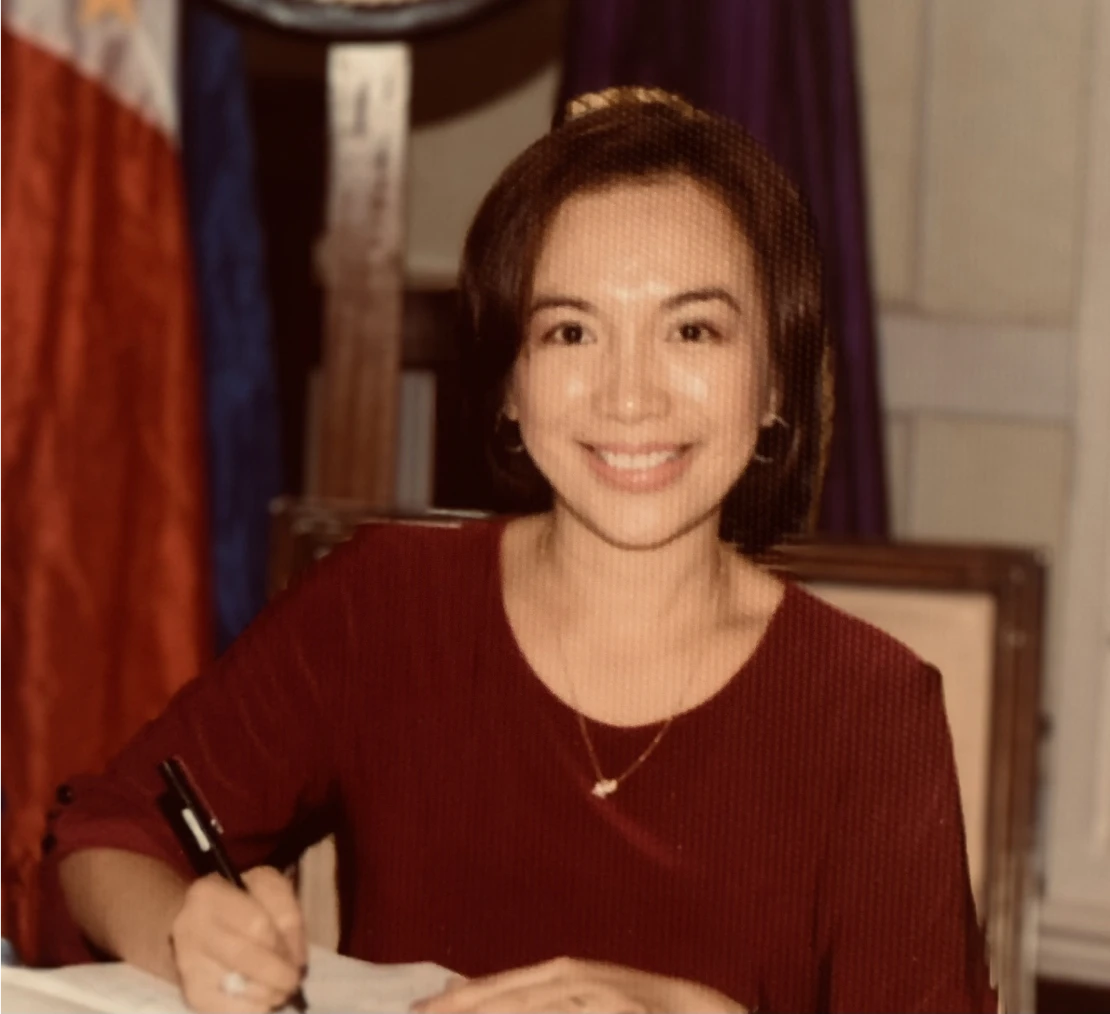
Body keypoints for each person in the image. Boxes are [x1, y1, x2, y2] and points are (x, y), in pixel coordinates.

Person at [38, 88, 996, 1014]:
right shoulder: (387, 605)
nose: (630, 396)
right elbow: (109, 828)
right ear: (508, 383)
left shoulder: (869, 706)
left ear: (777, 382)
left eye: (694, 329)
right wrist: (184, 935)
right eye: (571, 330)